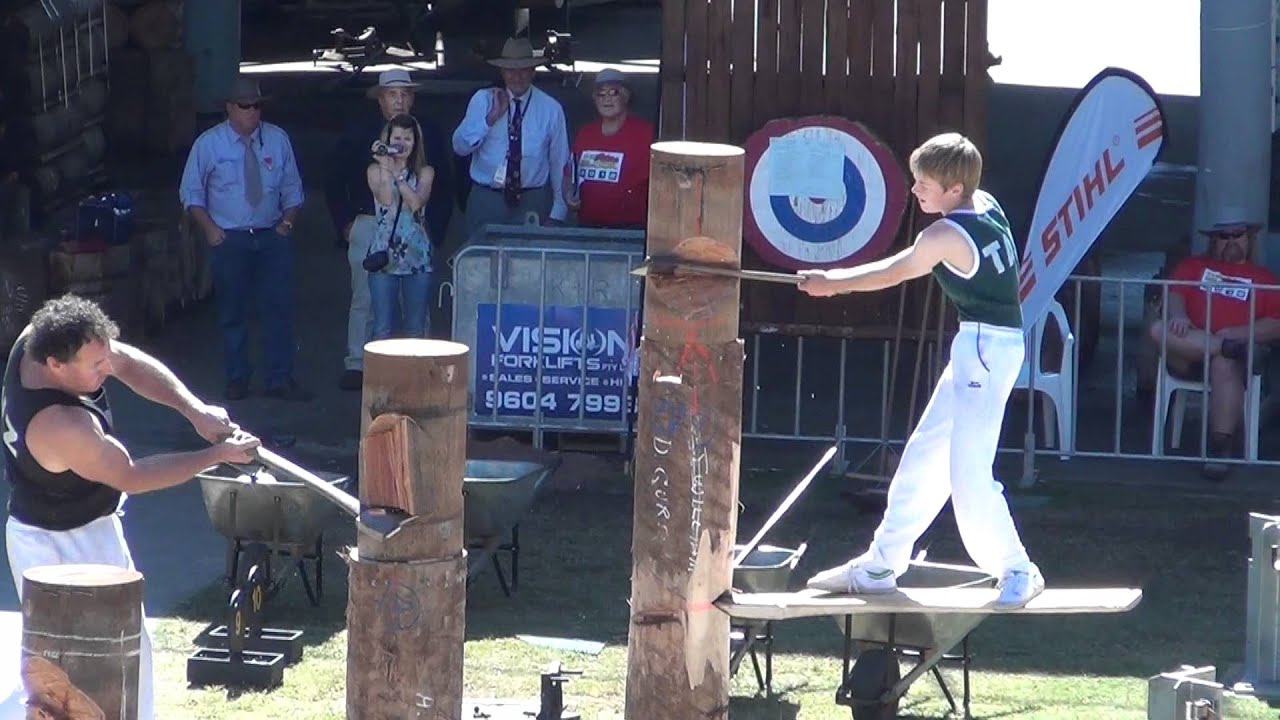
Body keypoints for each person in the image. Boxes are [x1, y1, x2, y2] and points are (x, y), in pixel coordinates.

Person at [797, 133, 1044, 609]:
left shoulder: (942, 235)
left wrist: (833, 284)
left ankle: (1018, 568)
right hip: (980, 346)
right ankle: (881, 564)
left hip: (986, 349)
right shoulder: (985, 202)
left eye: (924, 184)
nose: (915, 191)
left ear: (955, 189)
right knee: (923, 457)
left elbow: (895, 271)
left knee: (969, 476)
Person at [1, 295, 261, 719]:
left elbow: (126, 363)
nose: (108, 367)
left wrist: (194, 410)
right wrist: (217, 456)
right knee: (65, 672)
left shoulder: (50, 336)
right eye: (96, 365)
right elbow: (133, 476)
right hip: (54, 544)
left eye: (106, 355)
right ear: (56, 365)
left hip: (92, 523)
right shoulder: (60, 426)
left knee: (129, 655)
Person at [179, 75, 310, 403]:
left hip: (271, 235)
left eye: (257, 106)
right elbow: (191, 192)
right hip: (230, 239)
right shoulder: (209, 144)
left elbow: (293, 188)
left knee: (278, 309)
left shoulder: (277, 139)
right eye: (245, 106)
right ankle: (237, 378)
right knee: (232, 312)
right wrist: (210, 230)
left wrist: (287, 223)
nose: (253, 112)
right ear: (229, 108)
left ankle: (280, 378)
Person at [325, 69, 454, 391]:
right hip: (370, 221)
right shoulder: (359, 133)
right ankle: (358, 364)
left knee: (416, 305)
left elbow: (444, 183)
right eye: (392, 94)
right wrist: (344, 223)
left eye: (405, 94)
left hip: (416, 226)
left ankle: (418, 368)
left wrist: (435, 230)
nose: (399, 100)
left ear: (413, 98)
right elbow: (333, 178)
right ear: (380, 99)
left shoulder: (428, 133)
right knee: (365, 298)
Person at [1148, 207, 1280, 479]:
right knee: (1159, 329)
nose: (1231, 241)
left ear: (1249, 238)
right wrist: (1179, 316)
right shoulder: (1193, 266)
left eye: (1237, 235)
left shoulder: (1264, 277)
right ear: (1213, 240)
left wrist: (1239, 333)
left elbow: (1276, 323)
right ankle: (1222, 346)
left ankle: (1220, 447)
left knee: (1224, 363)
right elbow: (1175, 295)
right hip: (1191, 347)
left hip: (1237, 353)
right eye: (1223, 236)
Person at [451, 37, 572, 240]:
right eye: (510, 70)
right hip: (487, 198)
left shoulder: (550, 108)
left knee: (529, 258)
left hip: (532, 199)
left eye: (523, 70)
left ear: (533, 71)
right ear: (502, 72)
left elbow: (559, 161)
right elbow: (459, 147)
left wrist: (558, 212)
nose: (517, 77)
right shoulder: (483, 100)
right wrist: (489, 119)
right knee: (481, 258)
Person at [364, 114, 436, 340]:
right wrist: (387, 168)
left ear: (415, 142)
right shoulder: (374, 171)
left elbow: (415, 203)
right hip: (384, 255)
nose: (402, 143)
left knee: (415, 328)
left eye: (407, 138)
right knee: (382, 328)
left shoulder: (425, 172)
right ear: (388, 140)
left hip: (417, 256)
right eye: (397, 138)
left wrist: (399, 176)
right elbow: (386, 199)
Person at [566, 68, 654, 229]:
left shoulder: (646, 134)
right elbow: (569, 173)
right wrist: (569, 194)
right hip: (587, 228)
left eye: (613, 92)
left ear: (626, 96)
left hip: (630, 230)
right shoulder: (585, 133)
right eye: (600, 93)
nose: (606, 98)